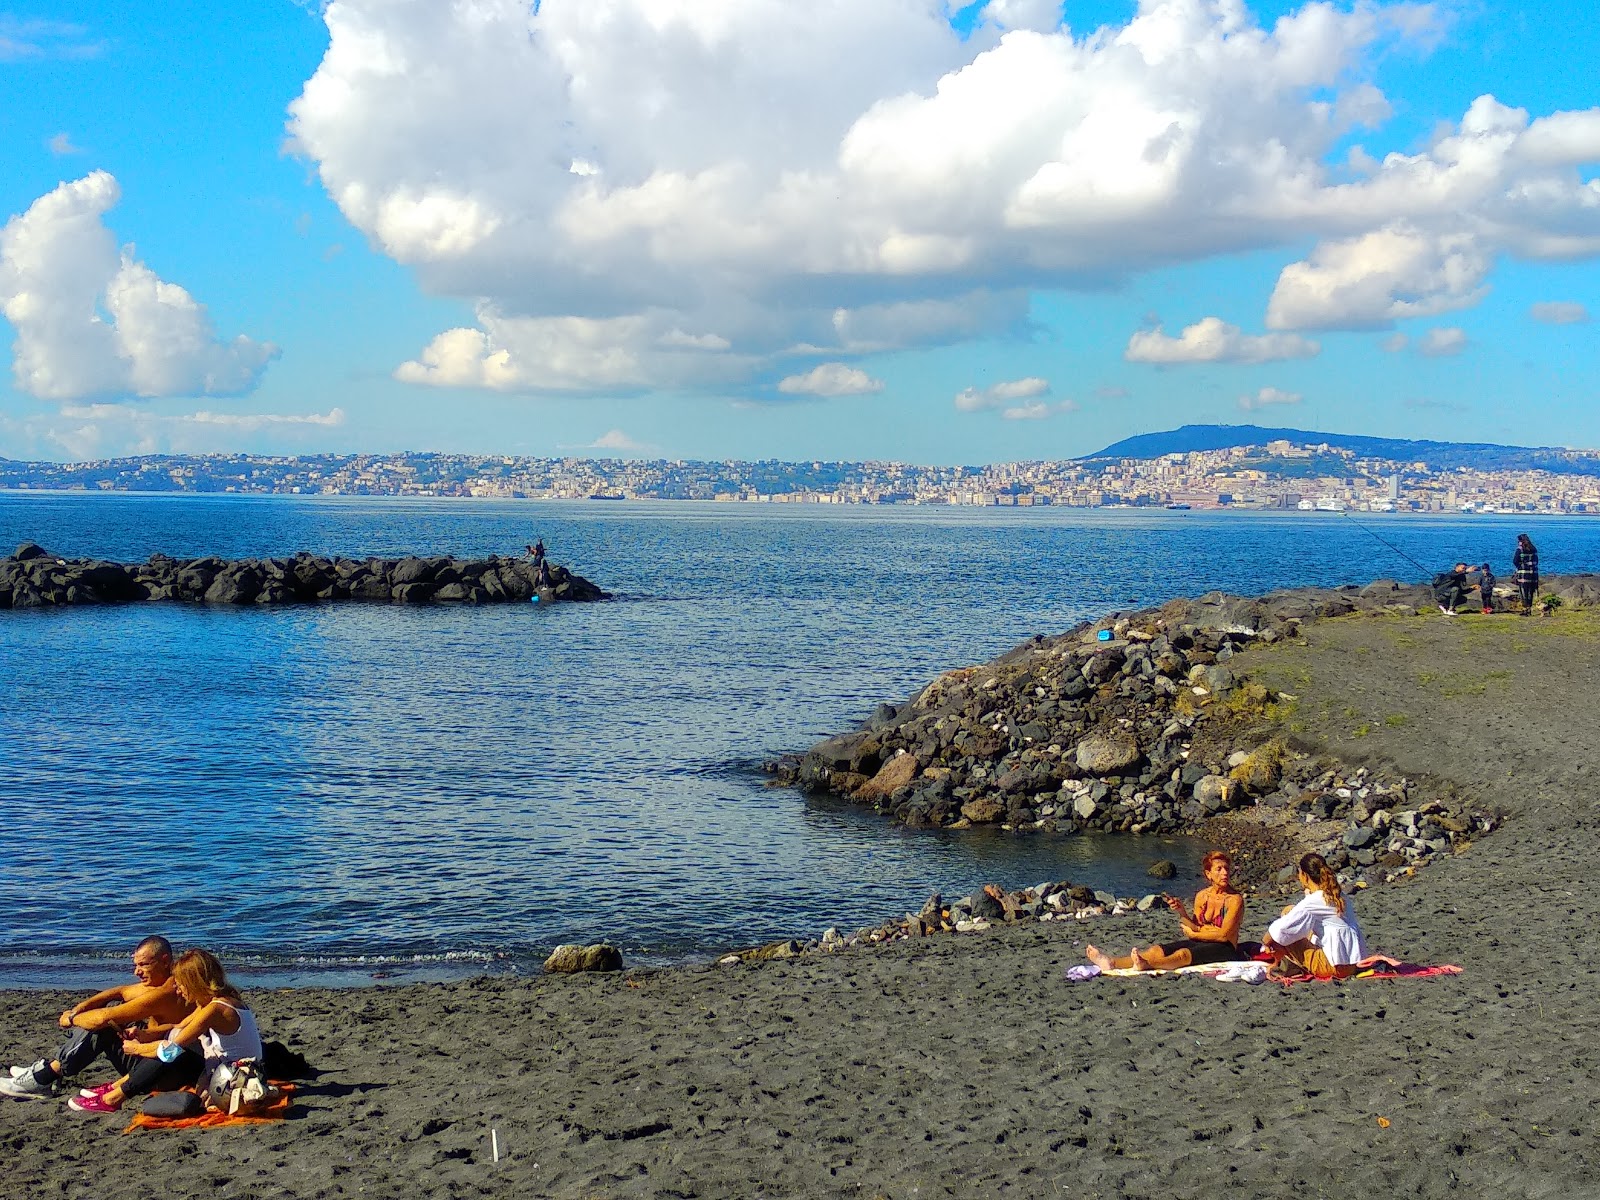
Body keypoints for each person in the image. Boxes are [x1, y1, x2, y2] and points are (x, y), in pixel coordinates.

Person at [67, 948, 264, 1115]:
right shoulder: (222, 1000)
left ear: (194, 982)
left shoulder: (215, 1010)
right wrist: (147, 1035)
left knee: (173, 1053)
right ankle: (117, 1087)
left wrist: (135, 1049)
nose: (178, 991)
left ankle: (113, 1098)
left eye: (180, 985)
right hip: (237, 1070)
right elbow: (180, 1026)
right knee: (175, 1042)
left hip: (235, 1079)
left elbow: (171, 1050)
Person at [1, 936, 191, 1100]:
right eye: (135, 965)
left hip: (157, 1072)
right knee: (112, 1012)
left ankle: (45, 1077)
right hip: (156, 1057)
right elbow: (119, 992)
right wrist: (80, 1008)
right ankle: (51, 1067)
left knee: (106, 1025)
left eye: (143, 965)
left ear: (165, 961)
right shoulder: (165, 981)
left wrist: (73, 1018)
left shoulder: (166, 992)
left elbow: (103, 1018)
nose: (136, 972)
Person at [1085, 850, 1246, 972]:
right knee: (1156, 950)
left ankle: (1147, 965)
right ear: (1208, 874)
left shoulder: (1234, 899)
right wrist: (1182, 912)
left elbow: (1223, 935)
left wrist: (1195, 935)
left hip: (1225, 948)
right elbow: (1196, 926)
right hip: (1202, 941)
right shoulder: (1202, 896)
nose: (1224, 873)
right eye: (1219, 869)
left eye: (1226, 869)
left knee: (1182, 954)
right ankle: (1112, 962)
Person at [1262, 852, 1368, 980]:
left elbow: (1280, 930)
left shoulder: (1313, 902)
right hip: (1352, 964)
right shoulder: (1338, 896)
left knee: (1285, 924)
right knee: (1292, 913)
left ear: (1305, 875)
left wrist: (1266, 943)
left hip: (1332, 967)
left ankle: (1279, 965)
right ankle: (1284, 963)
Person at [1513, 533, 1539, 616]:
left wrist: (1519, 567)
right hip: (1533, 574)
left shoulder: (1520, 549)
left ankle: (1525, 609)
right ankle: (1529, 609)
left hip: (1523, 574)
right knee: (1530, 592)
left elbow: (1515, 561)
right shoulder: (1533, 549)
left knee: (1523, 591)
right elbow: (1536, 561)